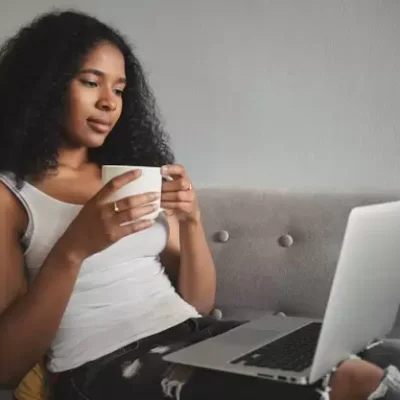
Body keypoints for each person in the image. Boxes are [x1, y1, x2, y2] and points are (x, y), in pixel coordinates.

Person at [0, 10, 399, 400]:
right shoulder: (12, 197)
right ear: (45, 86)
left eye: (119, 89)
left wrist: (190, 220)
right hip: (103, 365)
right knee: (350, 381)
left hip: (193, 334)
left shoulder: (129, 176)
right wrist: (73, 249)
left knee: (378, 358)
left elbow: (199, 304)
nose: (109, 102)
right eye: (91, 82)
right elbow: (8, 366)